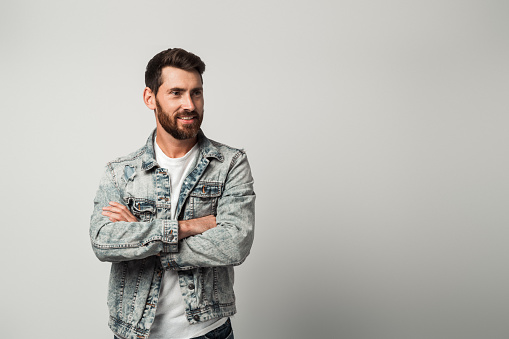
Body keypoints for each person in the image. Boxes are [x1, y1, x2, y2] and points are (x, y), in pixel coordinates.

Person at [90, 48, 255, 339]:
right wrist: (189, 227)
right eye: (176, 93)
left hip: (208, 332)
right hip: (134, 332)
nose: (189, 105)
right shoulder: (121, 171)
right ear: (150, 98)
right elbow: (103, 241)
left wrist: (143, 238)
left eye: (196, 93)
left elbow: (234, 243)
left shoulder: (229, 163)